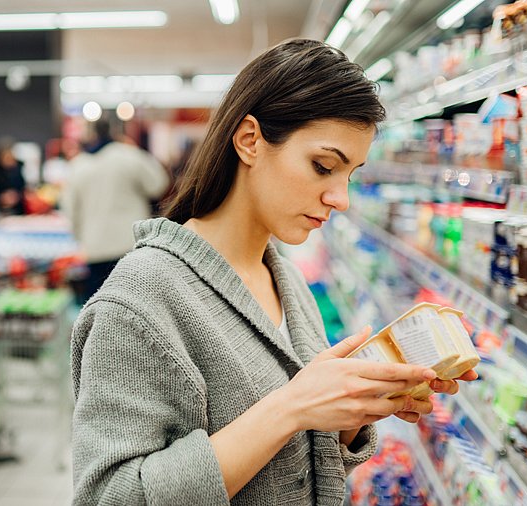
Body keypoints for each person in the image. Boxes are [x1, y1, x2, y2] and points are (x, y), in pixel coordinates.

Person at [71, 39, 478, 506]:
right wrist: (292, 406)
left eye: (350, 175)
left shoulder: (288, 282)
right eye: (323, 166)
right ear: (249, 141)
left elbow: (291, 468)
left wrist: (348, 415)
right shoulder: (139, 303)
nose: (340, 198)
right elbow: (110, 497)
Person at [61, 119, 168, 303]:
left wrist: (81, 239)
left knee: (98, 308)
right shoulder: (129, 156)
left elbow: (70, 210)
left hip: (95, 248)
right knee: (137, 306)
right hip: (131, 245)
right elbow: (158, 184)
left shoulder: (78, 166)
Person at [0, 136, 26, 215]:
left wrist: (17, 195)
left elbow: (24, 189)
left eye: (10, 157)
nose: (9, 160)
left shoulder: (19, 169)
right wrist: (1, 198)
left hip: (19, 211)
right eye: (6, 157)